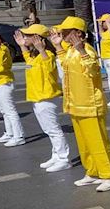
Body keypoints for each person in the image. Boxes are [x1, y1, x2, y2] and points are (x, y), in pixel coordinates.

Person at [51, 16, 110, 191]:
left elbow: (94, 70)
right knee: (84, 144)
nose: (63, 35)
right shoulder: (70, 50)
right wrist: (58, 46)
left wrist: (82, 51)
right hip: (76, 103)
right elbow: (65, 65)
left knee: (98, 142)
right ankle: (92, 172)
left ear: (78, 33)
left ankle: (109, 175)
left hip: (90, 104)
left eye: (66, 32)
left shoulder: (87, 50)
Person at [15, 24, 71, 172]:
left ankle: (63, 159)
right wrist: (22, 46)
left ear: (37, 38)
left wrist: (41, 49)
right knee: (48, 130)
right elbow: (28, 59)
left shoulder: (48, 54)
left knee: (53, 130)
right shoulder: (35, 57)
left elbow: (49, 67)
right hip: (37, 98)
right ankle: (56, 156)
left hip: (46, 98)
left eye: (28, 36)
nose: (25, 38)